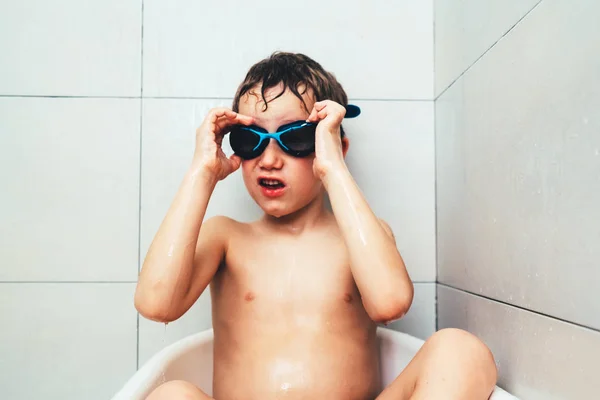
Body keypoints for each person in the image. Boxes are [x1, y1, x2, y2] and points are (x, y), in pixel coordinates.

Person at [134, 51, 497, 400]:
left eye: (295, 138)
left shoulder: (361, 238)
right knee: (170, 394)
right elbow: (156, 304)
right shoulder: (226, 238)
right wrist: (202, 173)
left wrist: (333, 169)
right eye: (250, 140)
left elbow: (391, 303)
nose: (270, 160)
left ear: (334, 147)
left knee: (460, 350)